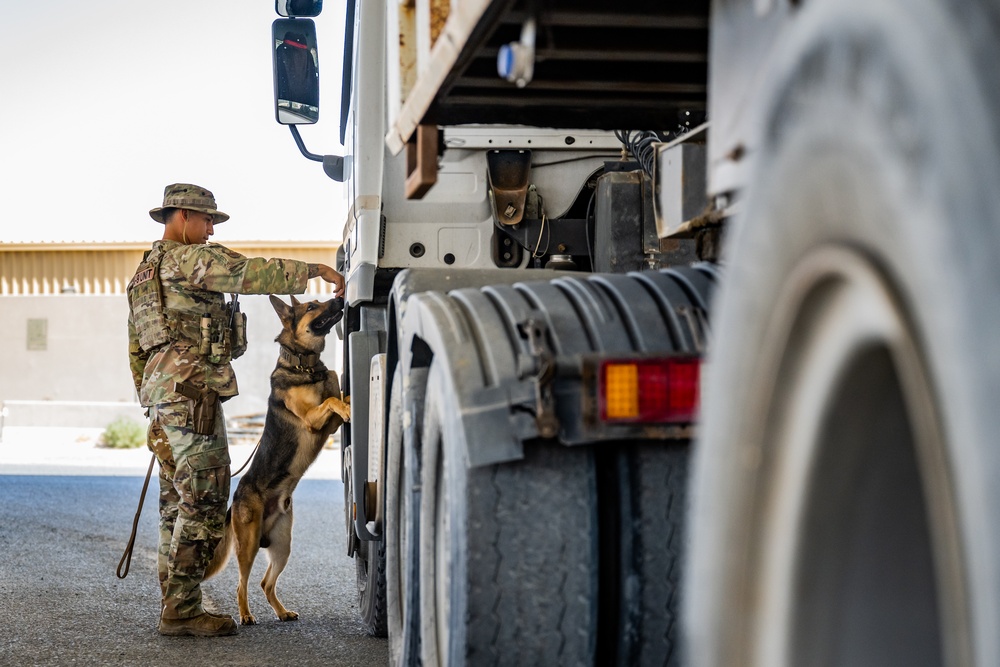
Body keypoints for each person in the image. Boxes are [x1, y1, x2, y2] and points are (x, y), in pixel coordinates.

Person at [126, 183, 344, 637]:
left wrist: (153, 401)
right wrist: (313, 270)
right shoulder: (188, 259)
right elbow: (248, 272)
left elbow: (136, 348)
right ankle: (182, 611)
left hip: (165, 399)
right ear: (182, 216)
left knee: (175, 505)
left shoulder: (144, 274)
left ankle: (176, 600)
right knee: (205, 502)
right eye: (207, 220)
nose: (210, 230)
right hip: (192, 398)